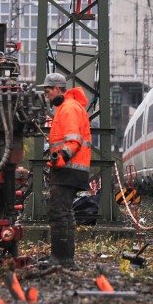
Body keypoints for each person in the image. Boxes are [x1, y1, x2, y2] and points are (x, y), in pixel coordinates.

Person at [39, 72, 92, 269]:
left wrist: (60, 158)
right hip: (71, 169)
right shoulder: (67, 108)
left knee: (58, 212)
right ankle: (66, 259)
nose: (46, 96)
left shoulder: (68, 108)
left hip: (68, 169)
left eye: (48, 91)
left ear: (57, 89)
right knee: (66, 213)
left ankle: (60, 259)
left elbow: (74, 140)